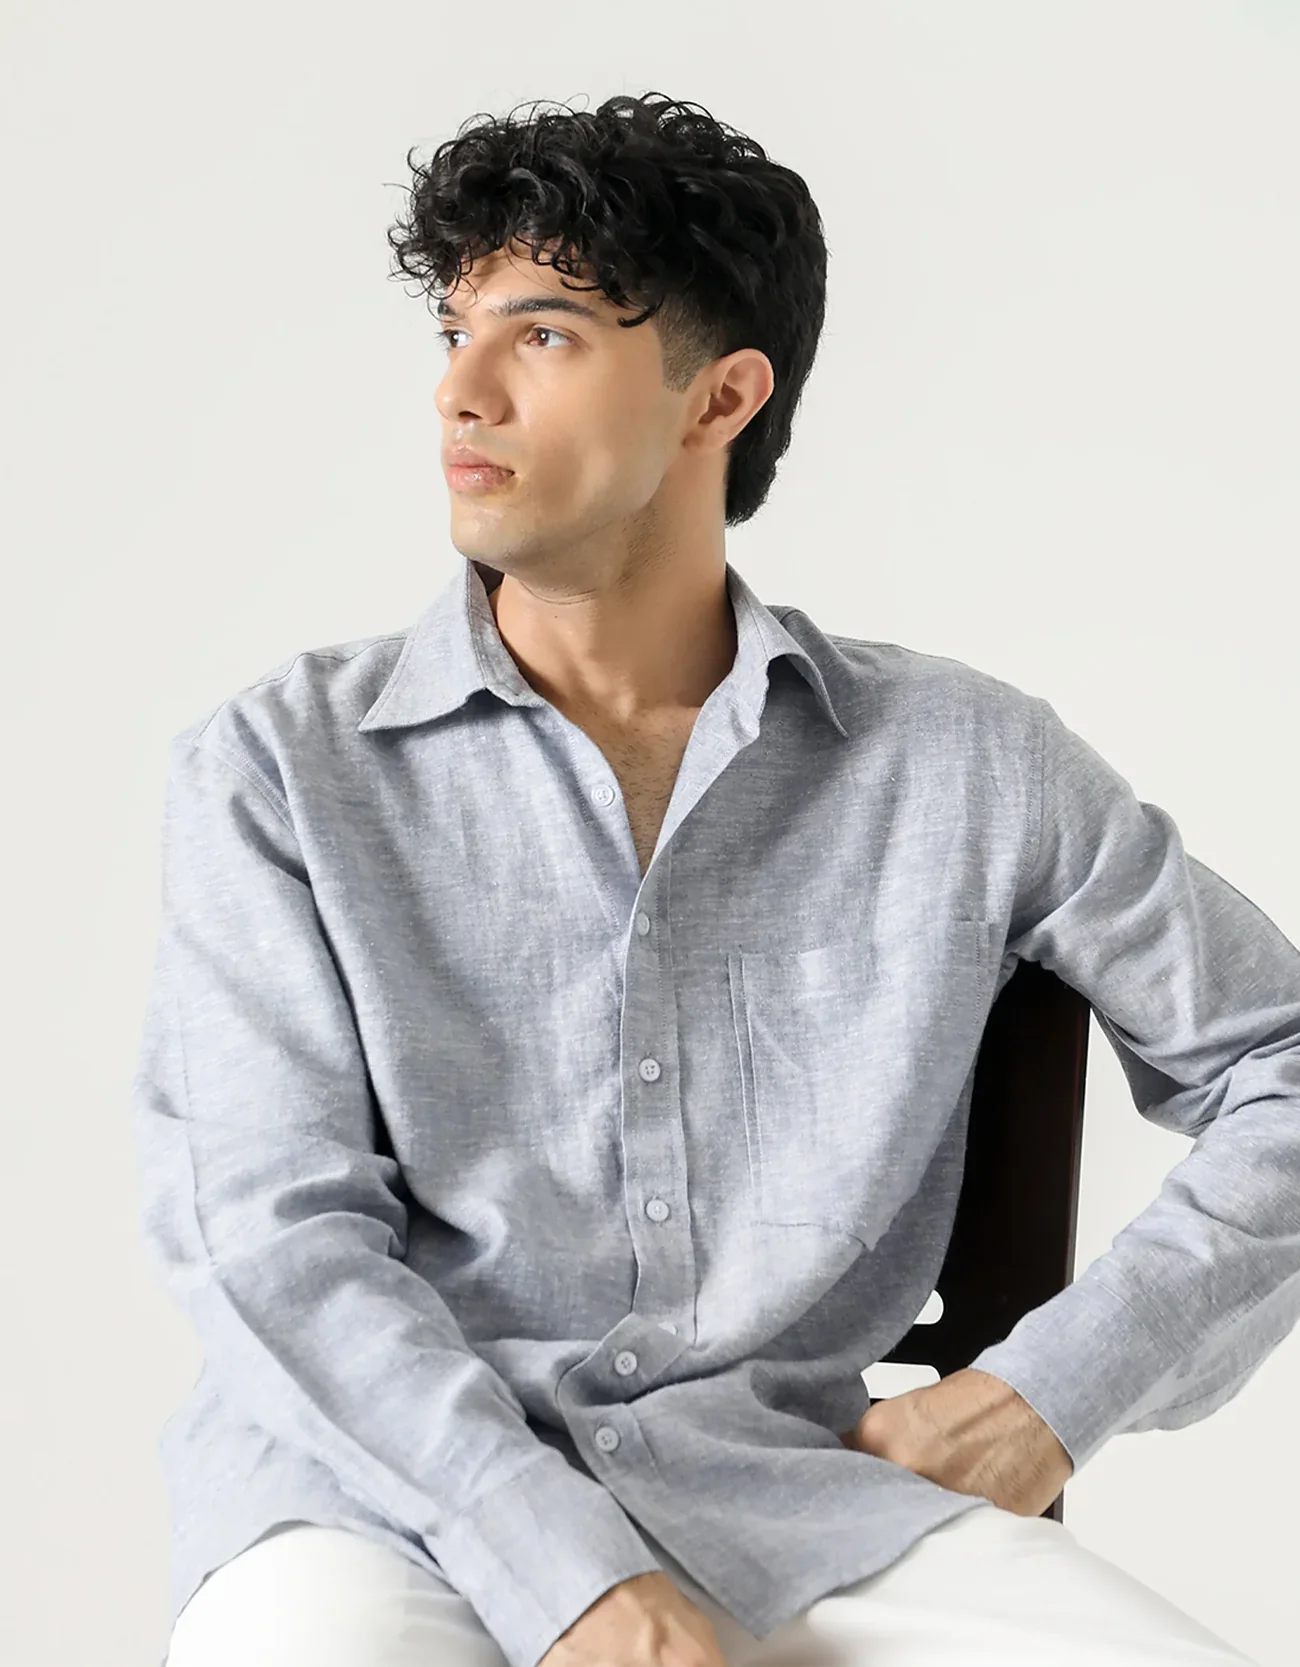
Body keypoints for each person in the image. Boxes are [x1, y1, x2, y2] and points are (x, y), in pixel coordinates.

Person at [134, 90, 1294, 1667]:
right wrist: (575, 1580)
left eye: (542, 335)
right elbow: (272, 1242)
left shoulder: (964, 762)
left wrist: (1049, 1394)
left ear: (721, 395)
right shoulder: (279, 768)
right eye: (457, 330)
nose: (460, 388)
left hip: (804, 1505)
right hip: (378, 1516)